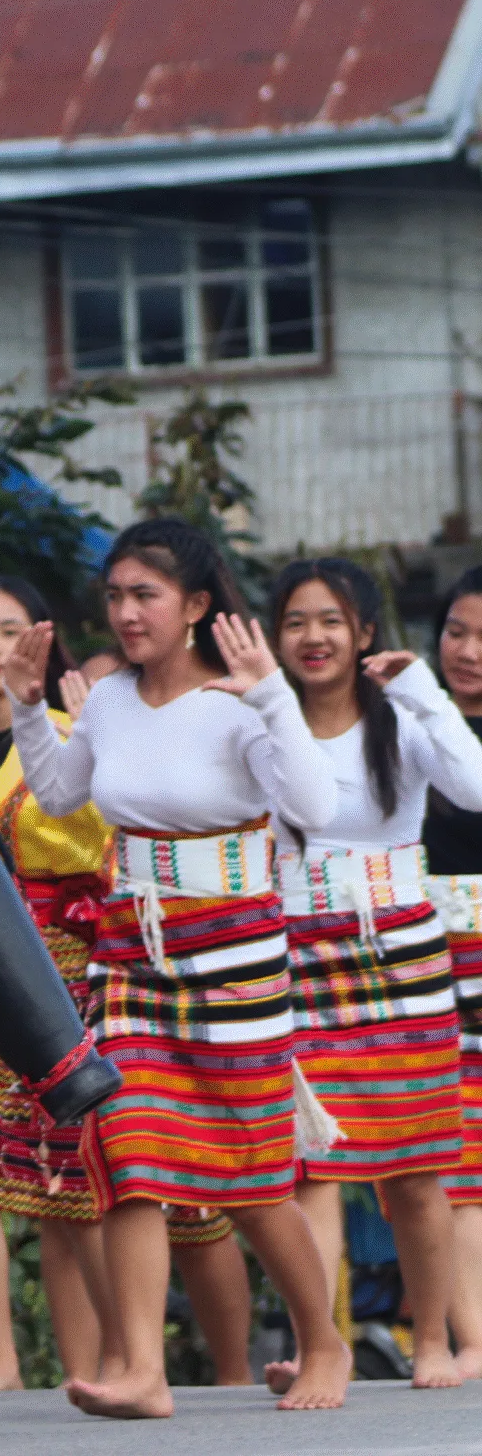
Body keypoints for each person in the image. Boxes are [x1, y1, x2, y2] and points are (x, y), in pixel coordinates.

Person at [4, 518, 353, 1418]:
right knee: (126, 1147)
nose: (124, 612)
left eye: (144, 595)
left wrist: (275, 694)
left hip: (236, 951)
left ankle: (324, 1340)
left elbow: (315, 803)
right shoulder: (112, 697)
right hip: (132, 951)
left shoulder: (245, 699)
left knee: (249, 1169)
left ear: (197, 605)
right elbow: (59, 792)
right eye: (115, 595)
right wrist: (21, 703)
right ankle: (141, 1369)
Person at [269, 556, 482, 1389]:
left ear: (363, 632)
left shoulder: (405, 716)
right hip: (296, 948)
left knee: (416, 1162)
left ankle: (432, 1338)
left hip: (402, 949)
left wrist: (424, 689)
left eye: (331, 620)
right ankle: (323, 1343)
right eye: (295, 620)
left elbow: (474, 784)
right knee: (313, 1160)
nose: (313, 636)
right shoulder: (266, 717)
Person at [0, 577, 118, 1390]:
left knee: (71, 1171)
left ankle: (109, 1355)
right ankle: (3, 1359)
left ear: (38, 641)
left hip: (61, 964)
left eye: (10, 629)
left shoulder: (71, 735)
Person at [422, 563, 482, 1375]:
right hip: (427, 962)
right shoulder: (410, 727)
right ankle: (471, 1338)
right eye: (457, 631)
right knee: (455, 1156)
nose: (467, 650)